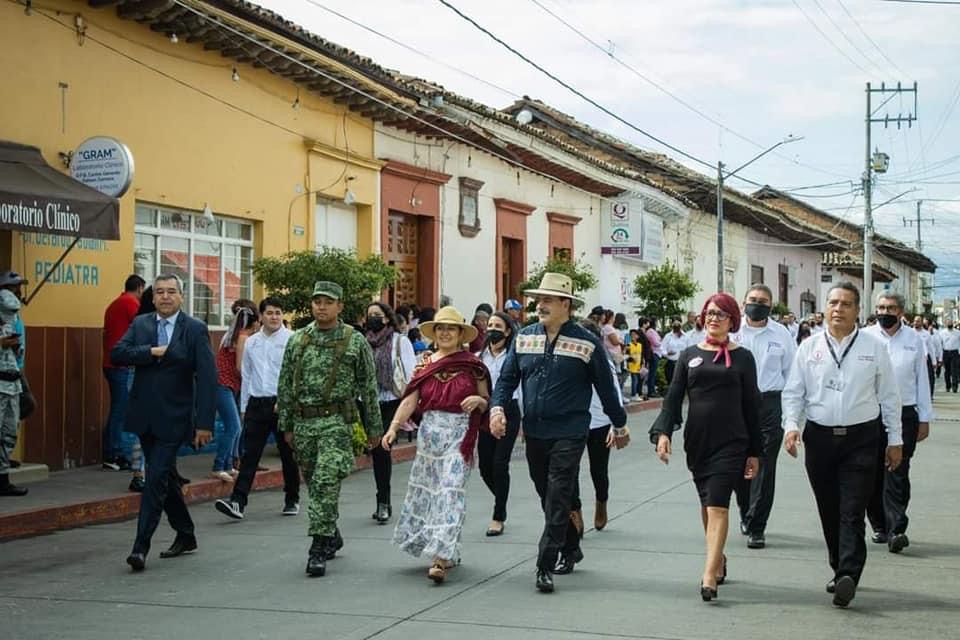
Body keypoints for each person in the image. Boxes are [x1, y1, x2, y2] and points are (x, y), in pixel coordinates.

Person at [491, 272, 629, 593]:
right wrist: (497, 407)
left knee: (557, 493)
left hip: (571, 431)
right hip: (535, 431)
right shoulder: (523, 337)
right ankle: (570, 544)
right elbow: (507, 380)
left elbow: (607, 390)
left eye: (548, 299)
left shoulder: (587, 343)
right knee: (546, 493)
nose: (540, 305)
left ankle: (545, 563)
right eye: (539, 299)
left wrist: (618, 423)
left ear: (566, 304)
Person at [782, 282, 903, 608]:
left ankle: (849, 572)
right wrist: (791, 426)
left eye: (845, 304)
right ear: (825, 308)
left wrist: (895, 439)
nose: (838, 309)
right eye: (833, 303)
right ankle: (839, 570)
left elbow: (890, 395)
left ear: (857, 310)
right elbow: (794, 393)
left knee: (852, 509)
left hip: (862, 439)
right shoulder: (808, 348)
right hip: (820, 439)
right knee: (829, 509)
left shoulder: (873, 347)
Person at [650, 292, 761, 602]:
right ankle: (719, 556)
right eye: (710, 313)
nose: (714, 318)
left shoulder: (743, 358)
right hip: (699, 442)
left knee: (717, 505)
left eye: (721, 314)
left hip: (733, 442)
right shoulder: (688, 355)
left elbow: (753, 406)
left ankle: (708, 574)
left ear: (732, 320)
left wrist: (755, 450)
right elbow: (673, 398)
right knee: (706, 504)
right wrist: (663, 434)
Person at [111, 274, 217, 572]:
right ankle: (186, 534)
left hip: (176, 417)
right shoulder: (142, 324)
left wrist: (204, 423)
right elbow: (117, 353)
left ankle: (139, 547)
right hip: (144, 416)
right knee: (165, 476)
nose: (165, 297)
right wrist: (149, 352)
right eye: (159, 292)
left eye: (171, 292)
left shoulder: (194, 329)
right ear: (153, 297)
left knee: (155, 478)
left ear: (181, 297)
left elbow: (208, 378)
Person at [276, 281, 381, 577]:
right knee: (314, 482)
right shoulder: (298, 340)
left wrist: (375, 429)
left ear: (340, 306)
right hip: (304, 422)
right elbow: (284, 385)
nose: (321, 307)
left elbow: (368, 388)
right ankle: (331, 533)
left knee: (324, 481)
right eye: (317, 301)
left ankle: (318, 547)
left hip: (337, 422)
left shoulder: (354, 340)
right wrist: (286, 425)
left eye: (327, 302)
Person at [381, 306, 491, 583]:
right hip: (429, 435)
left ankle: (440, 557)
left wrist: (478, 402)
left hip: (460, 435)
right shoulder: (425, 364)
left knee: (450, 492)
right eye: (440, 328)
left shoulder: (473, 366)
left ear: (460, 334)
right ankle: (445, 547)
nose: (444, 333)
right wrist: (394, 427)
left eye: (450, 329)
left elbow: (487, 399)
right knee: (430, 493)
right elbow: (410, 400)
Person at [214, 297, 300, 521]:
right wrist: (244, 408)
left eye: (278, 313)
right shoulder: (252, 342)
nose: (274, 317)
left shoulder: (293, 340)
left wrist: (288, 401)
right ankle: (238, 502)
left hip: (282, 404)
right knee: (249, 455)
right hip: (257, 404)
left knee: (287, 455)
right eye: (270, 313)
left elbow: (297, 375)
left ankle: (292, 498)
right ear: (261, 316)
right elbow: (248, 375)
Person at [865, 294, 932, 554]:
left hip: (904, 414)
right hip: (871, 413)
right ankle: (880, 524)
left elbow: (921, 381)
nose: (885, 312)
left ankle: (897, 529)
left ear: (901, 311)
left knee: (898, 471)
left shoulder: (914, 340)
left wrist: (924, 417)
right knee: (872, 472)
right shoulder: (866, 337)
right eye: (881, 307)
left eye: (891, 308)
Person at [731, 284, 796, 550]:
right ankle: (746, 509)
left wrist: (791, 417)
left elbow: (792, 375)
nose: (757, 304)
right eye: (752, 300)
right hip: (735, 405)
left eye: (763, 301)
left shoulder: (781, 335)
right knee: (737, 465)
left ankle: (757, 526)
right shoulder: (732, 332)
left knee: (764, 466)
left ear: (771, 305)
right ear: (743, 302)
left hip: (769, 405)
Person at [571, 319, 625, 537]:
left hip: (600, 423)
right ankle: (575, 512)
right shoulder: (568, 357)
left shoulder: (604, 360)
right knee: (569, 471)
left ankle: (601, 502)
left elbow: (614, 394)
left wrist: (616, 424)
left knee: (598, 470)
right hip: (573, 423)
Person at [364, 301, 416, 524]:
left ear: (387, 318)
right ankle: (382, 499)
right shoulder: (363, 342)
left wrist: (409, 404)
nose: (373, 318)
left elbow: (411, 372)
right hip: (367, 401)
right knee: (375, 451)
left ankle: (383, 502)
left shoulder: (399, 341)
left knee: (382, 449)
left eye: (378, 314)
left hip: (391, 400)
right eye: (370, 315)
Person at [476, 311, 521, 537]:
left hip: (509, 411)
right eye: (490, 325)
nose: (492, 329)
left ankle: (498, 515)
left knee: (499, 463)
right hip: (485, 413)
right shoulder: (478, 356)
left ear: (508, 330)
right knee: (485, 467)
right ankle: (501, 497)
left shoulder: (515, 355)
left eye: (497, 325)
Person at [102, 275, 146, 478]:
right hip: (120, 365)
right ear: (139, 288)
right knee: (119, 411)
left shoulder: (115, 303)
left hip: (112, 363)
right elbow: (143, 328)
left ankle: (111, 451)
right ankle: (113, 454)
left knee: (117, 410)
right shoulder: (130, 303)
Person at [211, 303, 258, 482]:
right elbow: (240, 367)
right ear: (253, 324)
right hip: (223, 384)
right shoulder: (243, 337)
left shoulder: (232, 335)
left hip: (226, 385)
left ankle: (229, 465)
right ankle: (218, 466)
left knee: (235, 426)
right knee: (234, 426)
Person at [0, 282, 25, 497]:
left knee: (9, 434)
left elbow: (18, 357)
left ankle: (3, 478)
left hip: (13, 384)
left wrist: (16, 346)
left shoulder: (13, 324)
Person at [661, 321, 687, 387]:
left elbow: (690, 348)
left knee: (681, 382)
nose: (677, 329)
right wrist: (667, 353)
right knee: (671, 382)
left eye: (678, 326)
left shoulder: (686, 336)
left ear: (681, 327)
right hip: (671, 363)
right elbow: (662, 349)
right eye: (675, 327)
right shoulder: (668, 336)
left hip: (682, 363)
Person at [626, 329, 646, 401]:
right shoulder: (629, 345)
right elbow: (626, 356)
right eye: (632, 335)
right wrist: (632, 359)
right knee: (634, 380)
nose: (634, 336)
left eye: (635, 335)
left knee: (638, 380)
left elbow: (641, 355)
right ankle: (633, 394)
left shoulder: (640, 345)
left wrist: (643, 362)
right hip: (632, 365)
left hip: (639, 366)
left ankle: (636, 393)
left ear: (638, 336)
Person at [940, 320, 959, 392]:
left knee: (954, 370)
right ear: (945, 324)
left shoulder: (957, 333)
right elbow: (940, 344)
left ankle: (955, 386)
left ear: (953, 324)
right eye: (948, 323)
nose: (949, 324)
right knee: (947, 371)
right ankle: (948, 386)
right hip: (946, 352)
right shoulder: (942, 333)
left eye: (951, 323)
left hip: (955, 352)